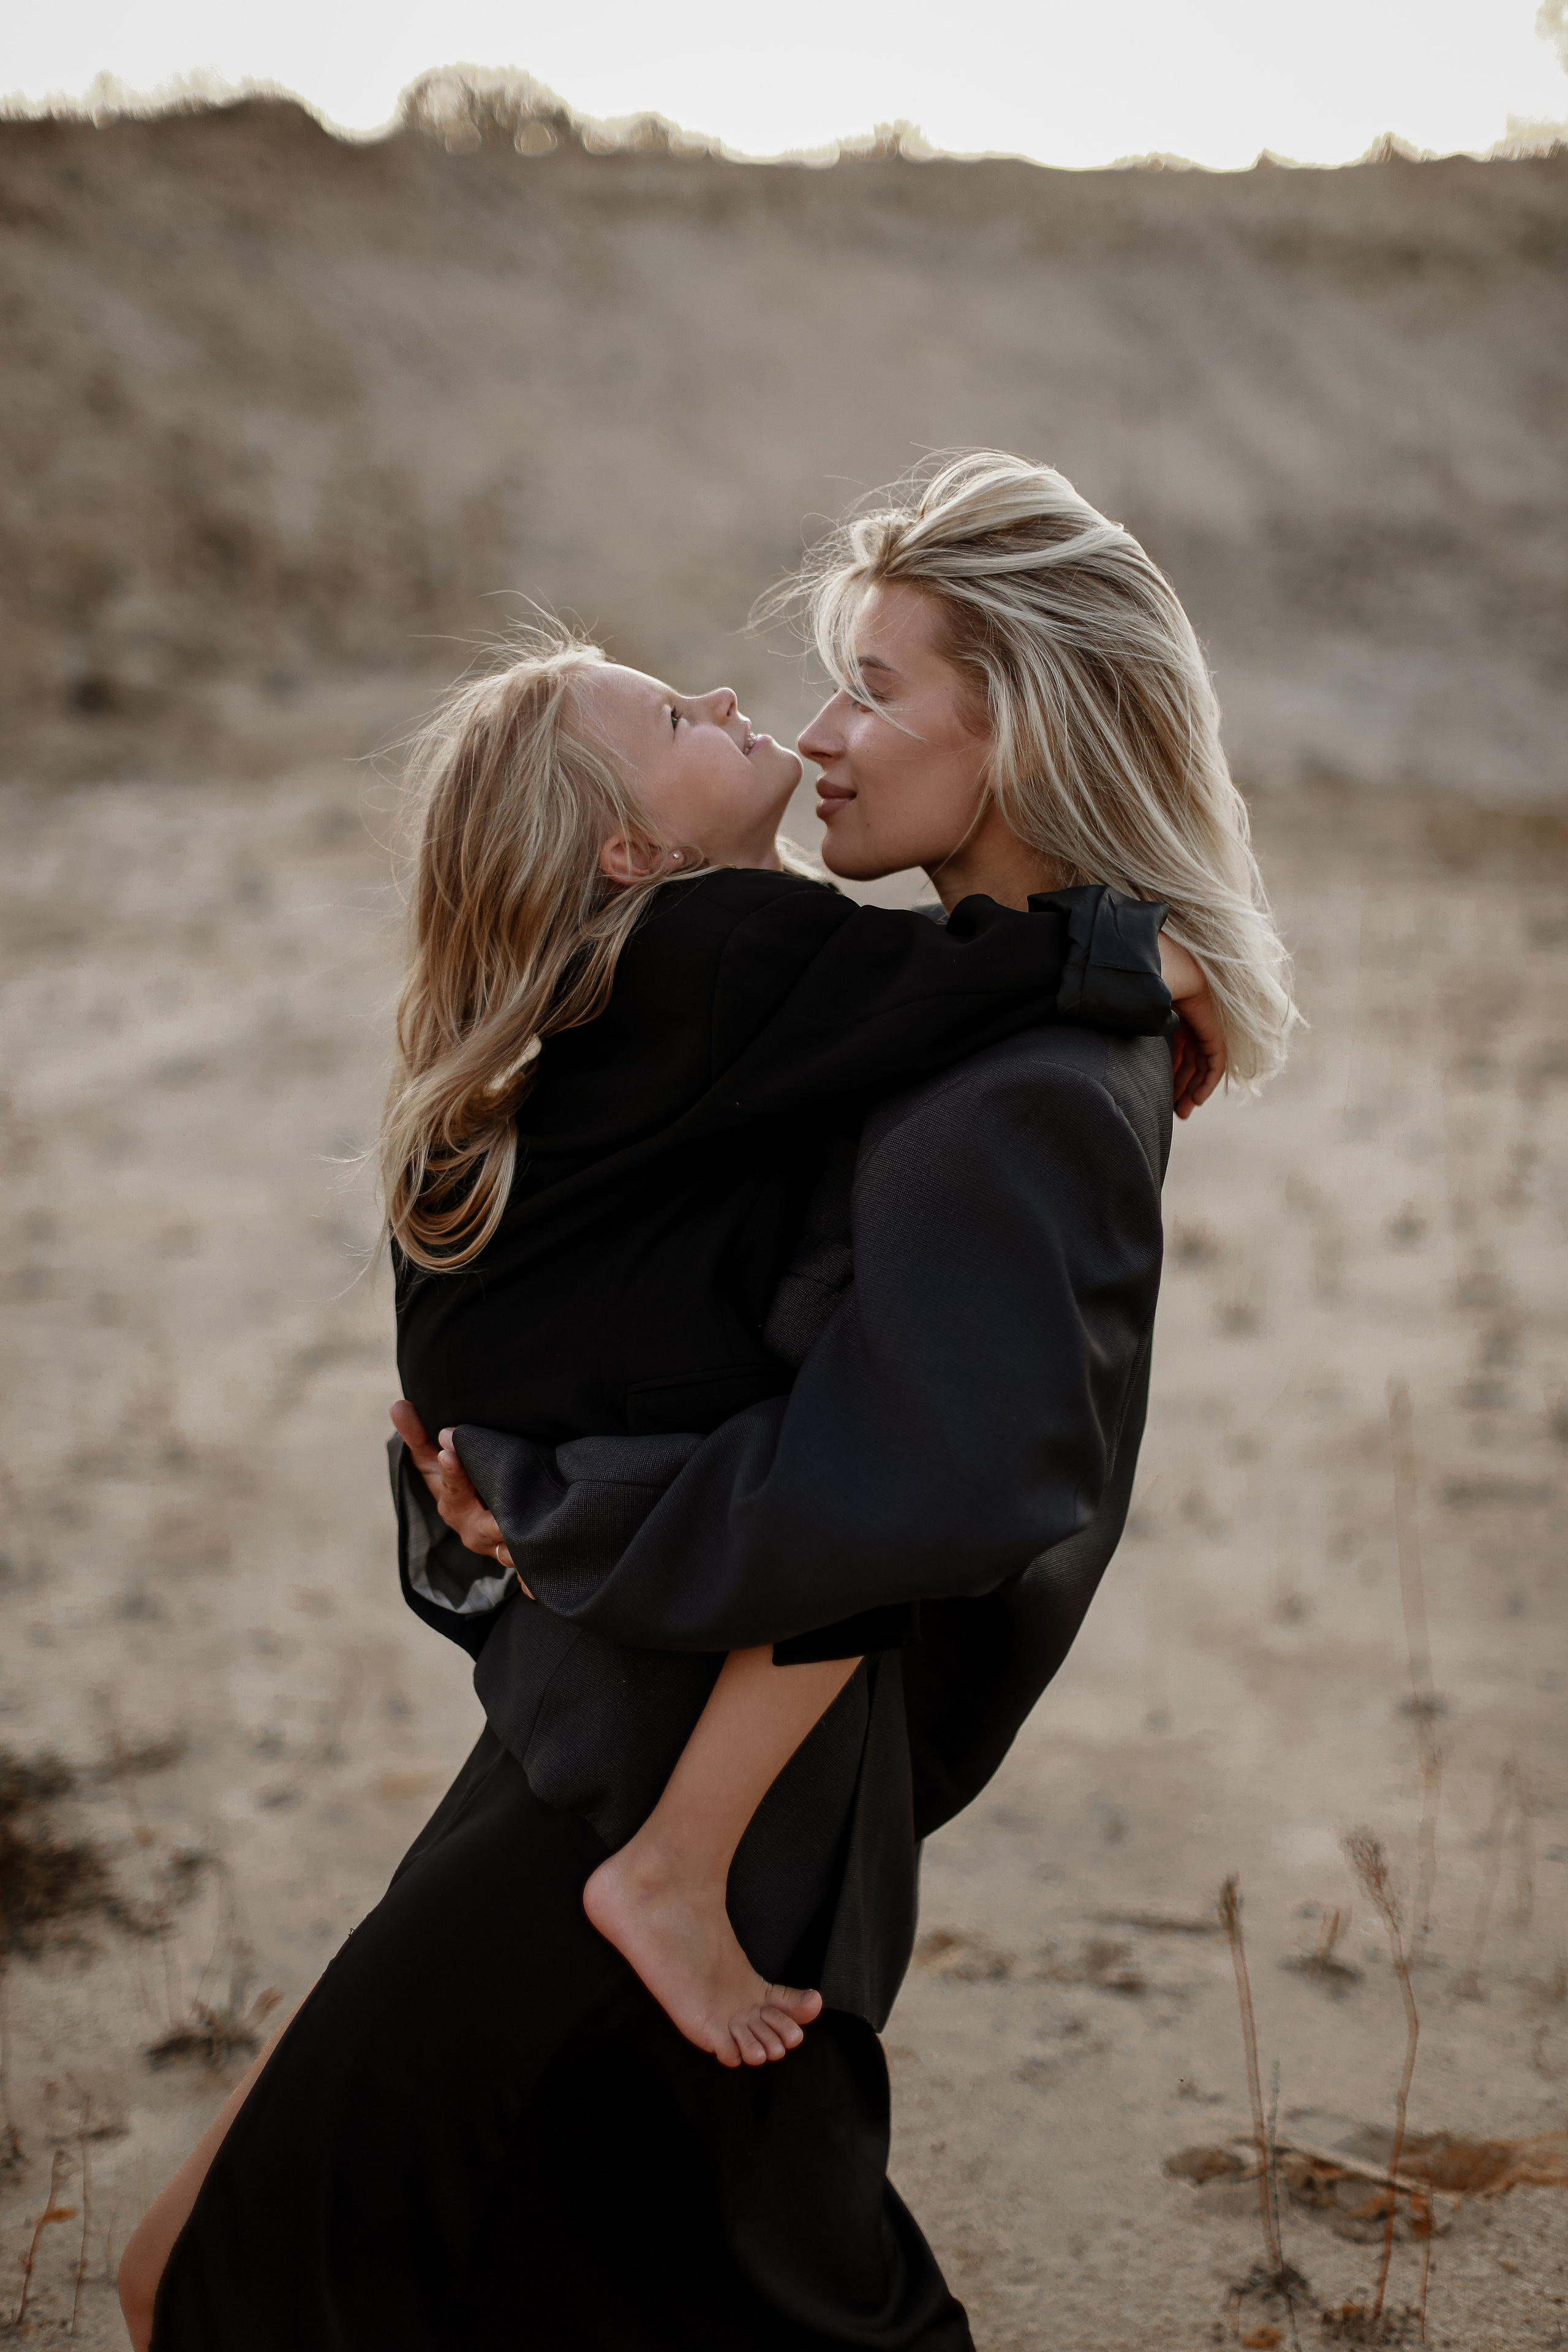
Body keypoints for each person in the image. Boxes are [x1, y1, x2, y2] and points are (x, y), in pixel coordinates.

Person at [124, 451, 1294, 2352]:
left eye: (878, 689)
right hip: (598, 1752)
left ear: (1028, 730)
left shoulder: (1018, 1088)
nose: (819, 734)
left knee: (239, 2284)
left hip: (701, 1817)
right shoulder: (881, 1026)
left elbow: (928, 1495)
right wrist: (492, 1501)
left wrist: (565, 1514)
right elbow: (646, 1331)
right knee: (240, 2274)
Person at [380, 624, 1208, 2070]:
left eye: (872, 690)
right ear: (630, 849)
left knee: (858, 1464)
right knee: (856, 1477)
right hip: (573, 1369)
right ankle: (674, 1869)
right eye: (673, 721)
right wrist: (1162, 965)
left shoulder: (667, 953)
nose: (729, 698)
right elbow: (963, 975)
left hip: (513, 1353)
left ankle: (671, 1853)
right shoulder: (717, 944)